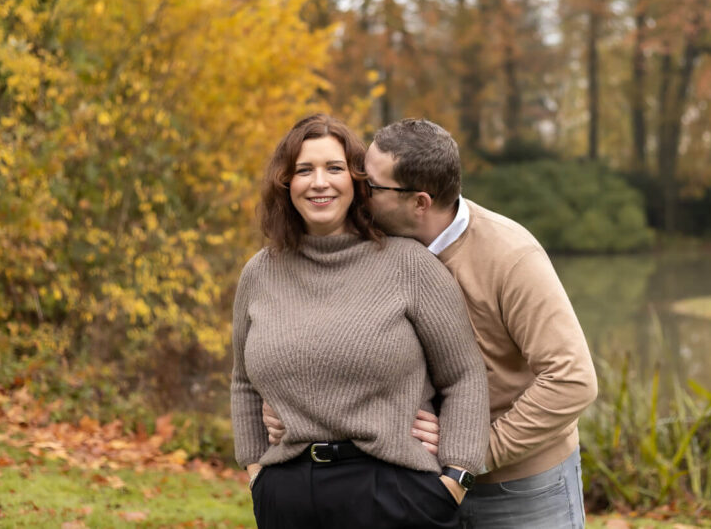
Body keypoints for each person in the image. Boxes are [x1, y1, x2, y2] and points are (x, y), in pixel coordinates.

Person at [264, 118, 598, 528]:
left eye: (371, 184)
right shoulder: (374, 250)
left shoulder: (510, 256)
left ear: (419, 202)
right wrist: (291, 407)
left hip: (519, 486)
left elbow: (572, 380)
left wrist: (470, 456)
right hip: (414, 483)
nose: (357, 189)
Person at [231, 113, 489, 529]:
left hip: (396, 495)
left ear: (357, 181)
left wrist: (456, 475)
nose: (319, 182)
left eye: (334, 168)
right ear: (285, 183)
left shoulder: (409, 264)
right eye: (303, 170)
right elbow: (243, 382)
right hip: (288, 497)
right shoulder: (259, 273)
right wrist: (256, 472)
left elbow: (463, 375)